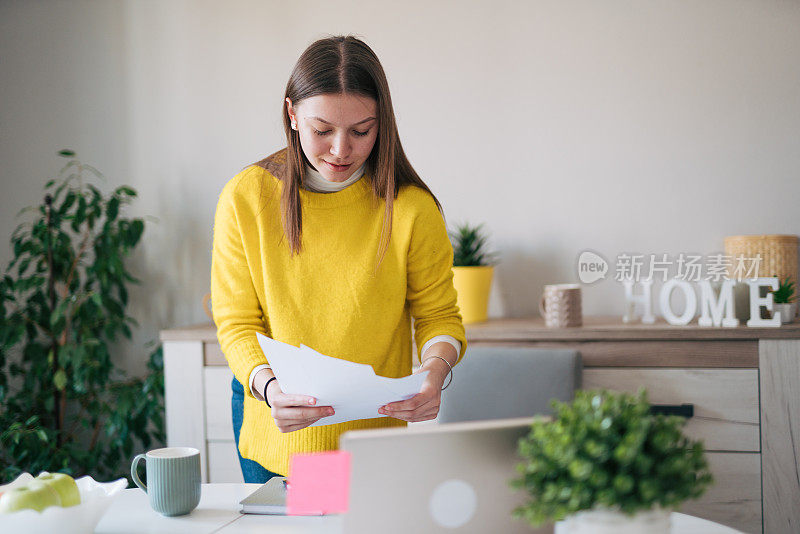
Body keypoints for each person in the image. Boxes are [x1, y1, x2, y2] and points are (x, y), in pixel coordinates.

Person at [211, 35, 467, 483]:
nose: (341, 150)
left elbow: (440, 317)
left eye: (361, 131)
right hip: (278, 438)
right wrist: (271, 391)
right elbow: (236, 323)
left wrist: (434, 371)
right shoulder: (245, 198)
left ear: (382, 123)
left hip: (372, 446)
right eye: (322, 130)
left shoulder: (411, 209)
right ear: (292, 114)